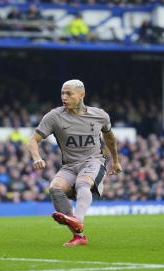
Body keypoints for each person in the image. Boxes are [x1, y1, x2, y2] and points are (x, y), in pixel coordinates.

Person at [28, 79, 122, 247]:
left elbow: (110, 138)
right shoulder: (54, 116)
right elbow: (33, 140)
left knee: (82, 183)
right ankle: (79, 236)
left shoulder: (99, 115)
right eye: (62, 93)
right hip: (70, 165)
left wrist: (115, 161)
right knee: (55, 189)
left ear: (81, 95)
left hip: (93, 161)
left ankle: (77, 220)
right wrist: (37, 157)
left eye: (69, 93)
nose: (64, 97)